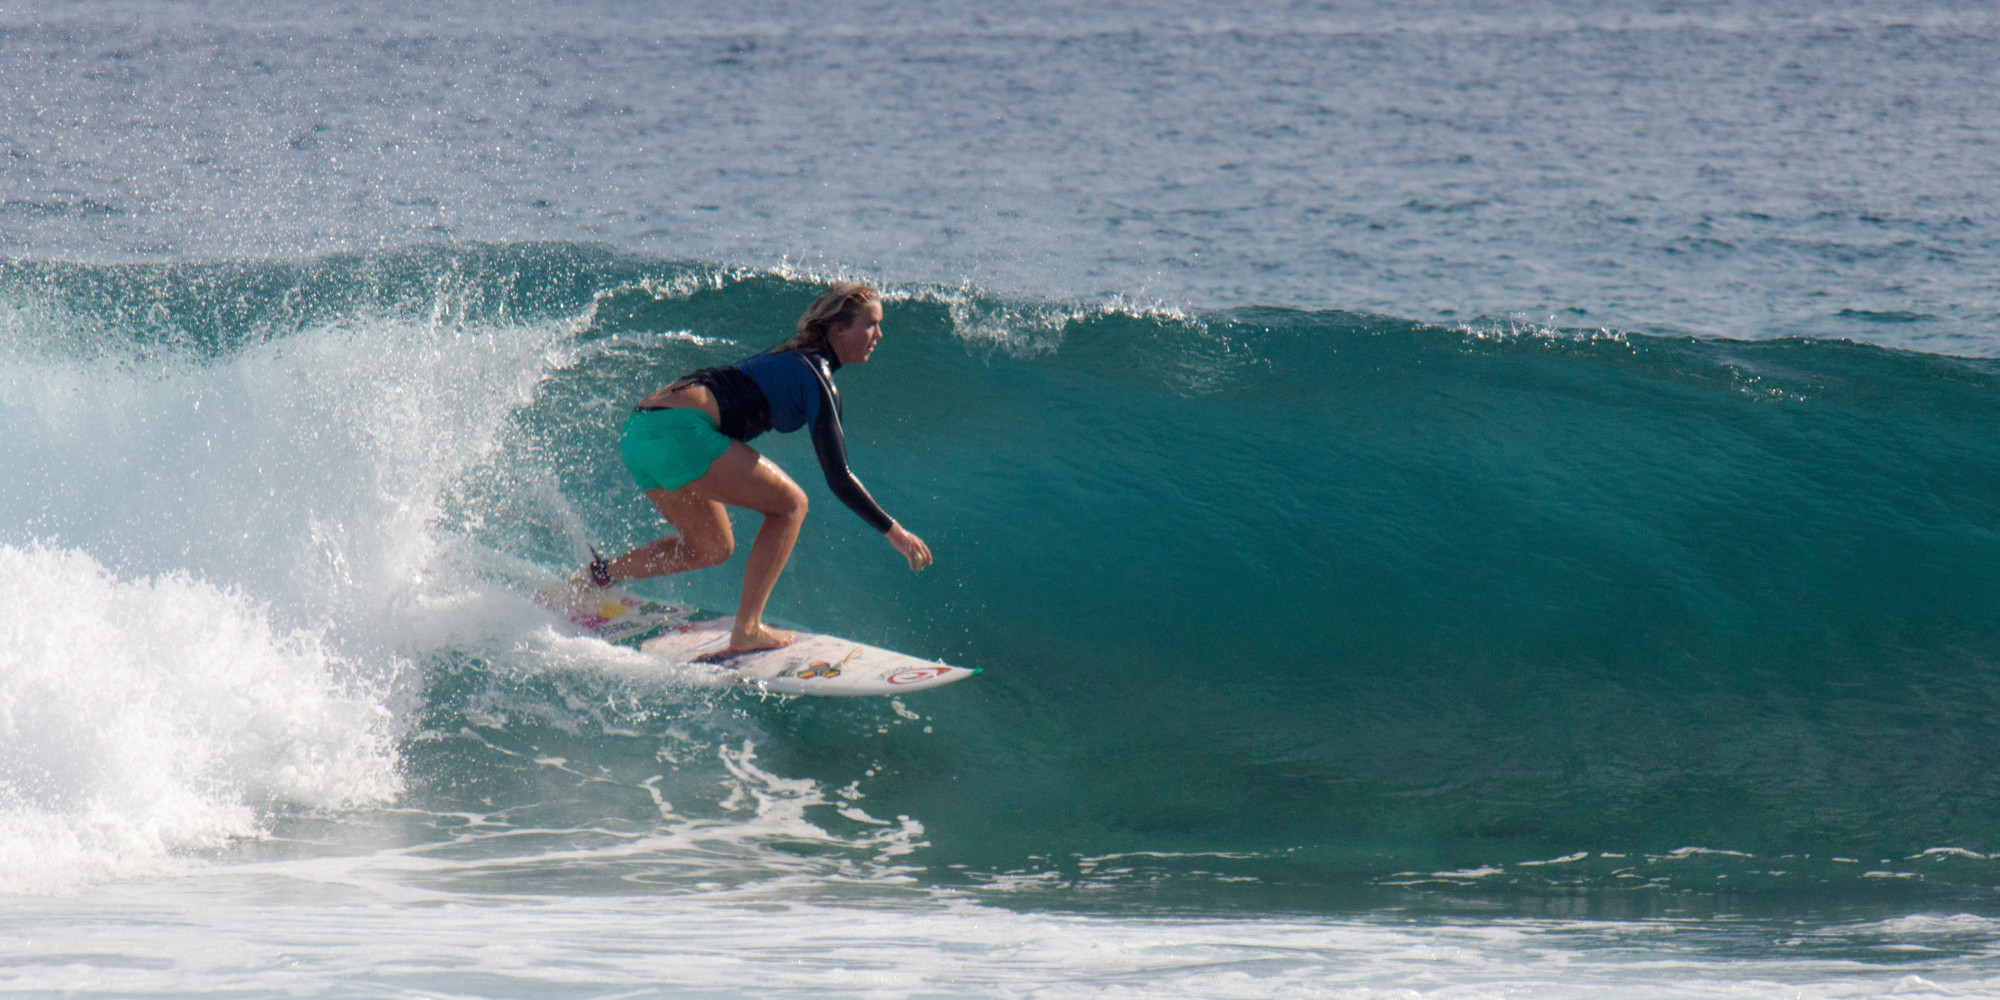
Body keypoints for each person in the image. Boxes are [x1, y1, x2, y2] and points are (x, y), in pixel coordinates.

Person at [582, 282, 932, 654]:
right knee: (792, 505)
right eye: (870, 324)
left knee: (711, 547)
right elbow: (838, 476)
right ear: (838, 328)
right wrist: (894, 531)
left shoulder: (791, 356)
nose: (879, 334)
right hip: (681, 430)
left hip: (640, 429)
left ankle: (599, 576)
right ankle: (747, 629)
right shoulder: (815, 373)